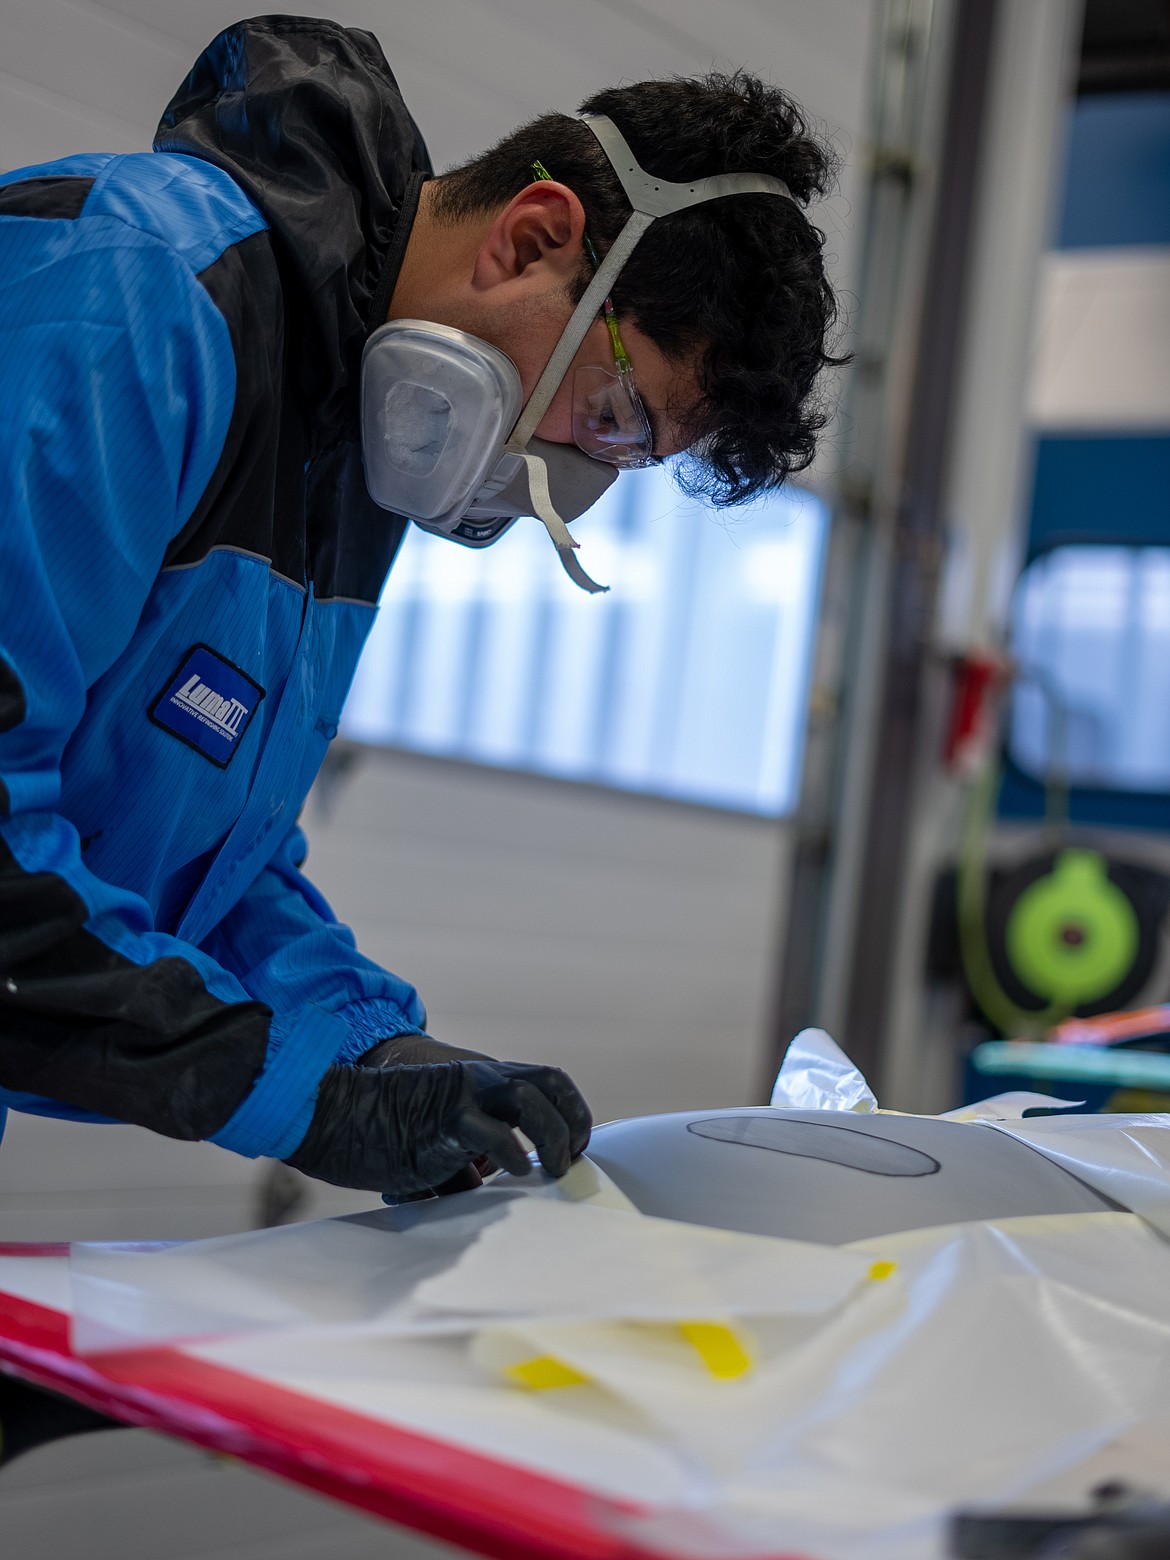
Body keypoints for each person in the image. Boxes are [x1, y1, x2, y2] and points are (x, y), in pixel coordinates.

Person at [0, 17, 843, 1198]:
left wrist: (371, 1049)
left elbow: (205, 857)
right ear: (532, 238)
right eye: (609, 416)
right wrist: (305, 1098)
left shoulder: (342, 448)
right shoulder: (136, 295)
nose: (572, 484)